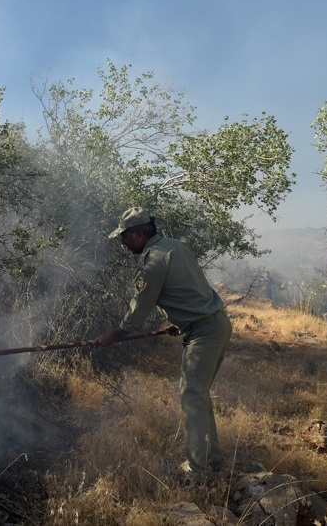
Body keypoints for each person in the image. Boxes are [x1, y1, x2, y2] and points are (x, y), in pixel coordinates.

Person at [93, 206, 231, 484]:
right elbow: (189, 289)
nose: (123, 242)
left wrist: (112, 335)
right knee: (199, 394)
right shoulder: (176, 246)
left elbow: (136, 314)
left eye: (125, 237)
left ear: (140, 234)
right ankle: (212, 459)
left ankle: (197, 470)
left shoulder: (153, 261)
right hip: (216, 324)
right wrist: (180, 323)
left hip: (204, 332)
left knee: (192, 395)